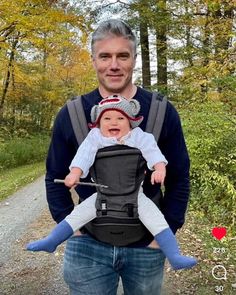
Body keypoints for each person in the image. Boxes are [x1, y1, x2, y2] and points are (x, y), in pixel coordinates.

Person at [43, 19, 191, 295]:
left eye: (122, 55)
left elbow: (180, 176)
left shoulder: (161, 112)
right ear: (93, 60)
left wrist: (164, 233)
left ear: (134, 58)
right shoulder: (72, 114)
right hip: (87, 246)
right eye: (105, 56)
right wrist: (70, 227)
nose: (114, 64)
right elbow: (54, 176)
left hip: (146, 247)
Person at [26, 95, 197, 271]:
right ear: (99, 123)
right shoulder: (95, 137)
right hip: (102, 196)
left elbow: (152, 150)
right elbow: (84, 155)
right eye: (107, 118)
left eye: (120, 118)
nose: (113, 122)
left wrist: (159, 168)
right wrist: (75, 172)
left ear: (130, 121)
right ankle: (52, 240)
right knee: (76, 216)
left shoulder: (138, 136)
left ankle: (174, 255)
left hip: (135, 197)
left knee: (157, 221)